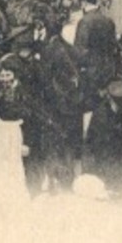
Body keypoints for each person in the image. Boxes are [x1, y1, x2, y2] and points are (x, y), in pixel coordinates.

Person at [26, 12, 82, 196]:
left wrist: (34, 64)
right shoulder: (63, 46)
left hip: (55, 105)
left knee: (53, 144)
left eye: (40, 27)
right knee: (63, 144)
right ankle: (63, 181)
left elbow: (44, 79)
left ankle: (55, 184)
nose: (37, 31)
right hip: (67, 104)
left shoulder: (52, 50)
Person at [0, 56, 32, 205]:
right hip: (0, 130)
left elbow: (28, 117)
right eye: (2, 76)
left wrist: (26, 142)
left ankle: (12, 193)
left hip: (15, 131)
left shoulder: (22, 91)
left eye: (8, 75)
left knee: (13, 161)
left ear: (15, 74)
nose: (5, 79)